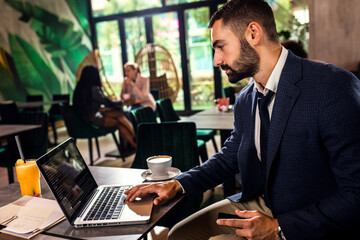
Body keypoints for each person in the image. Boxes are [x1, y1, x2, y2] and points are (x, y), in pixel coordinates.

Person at [125, 0, 360, 239]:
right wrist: (179, 184)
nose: (216, 60)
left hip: (304, 218)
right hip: (261, 203)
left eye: (220, 47)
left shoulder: (332, 86)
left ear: (253, 33)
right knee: (178, 234)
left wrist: (278, 227)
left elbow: (356, 192)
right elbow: (230, 156)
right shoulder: (247, 96)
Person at [73, 65, 136, 148]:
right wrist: (120, 103)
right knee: (119, 120)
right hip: (93, 119)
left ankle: (135, 140)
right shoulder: (94, 89)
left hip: (83, 119)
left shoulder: (79, 88)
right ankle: (135, 139)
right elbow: (106, 101)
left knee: (118, 115)